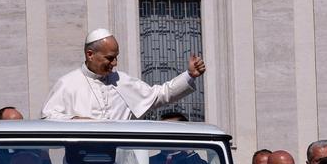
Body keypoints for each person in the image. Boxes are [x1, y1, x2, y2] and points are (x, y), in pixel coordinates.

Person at [43, 28, 205, 122]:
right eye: (109, 58)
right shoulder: (68, 83)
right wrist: (76, 121)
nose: (114, 63)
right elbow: (47, 118)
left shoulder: (122, 81)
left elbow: (159, 95)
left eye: (116, 57)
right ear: (90, 54)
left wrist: (189, 75)